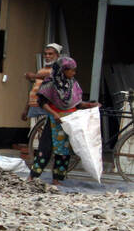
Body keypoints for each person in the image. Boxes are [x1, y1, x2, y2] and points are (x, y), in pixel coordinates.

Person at [30, 55, 99, 184]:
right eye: (71, 70)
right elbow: (42, 101)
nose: (73, 73)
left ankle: (57, 178)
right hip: (54, 120)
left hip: (68, 121)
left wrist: (91, 105)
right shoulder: (50, 83)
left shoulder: (73, 84)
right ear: (63, 70)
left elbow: (77, 104)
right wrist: (54, 113)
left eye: (74, 70)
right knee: (46, 148)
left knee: (64, 151)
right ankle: (33, 175)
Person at [23, 42, 63, 161]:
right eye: (45, 54)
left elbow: (53, 79)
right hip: (35, 105)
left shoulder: (58, 69)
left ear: (57, 55)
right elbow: (34, 90)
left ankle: (43, 160)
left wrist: (34, 76)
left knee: (46, 136)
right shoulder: (42, 70)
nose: (47, 56)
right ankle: (37, 159)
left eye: (50, 54)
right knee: (36, 137)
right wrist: (26, 109)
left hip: (48, 106)